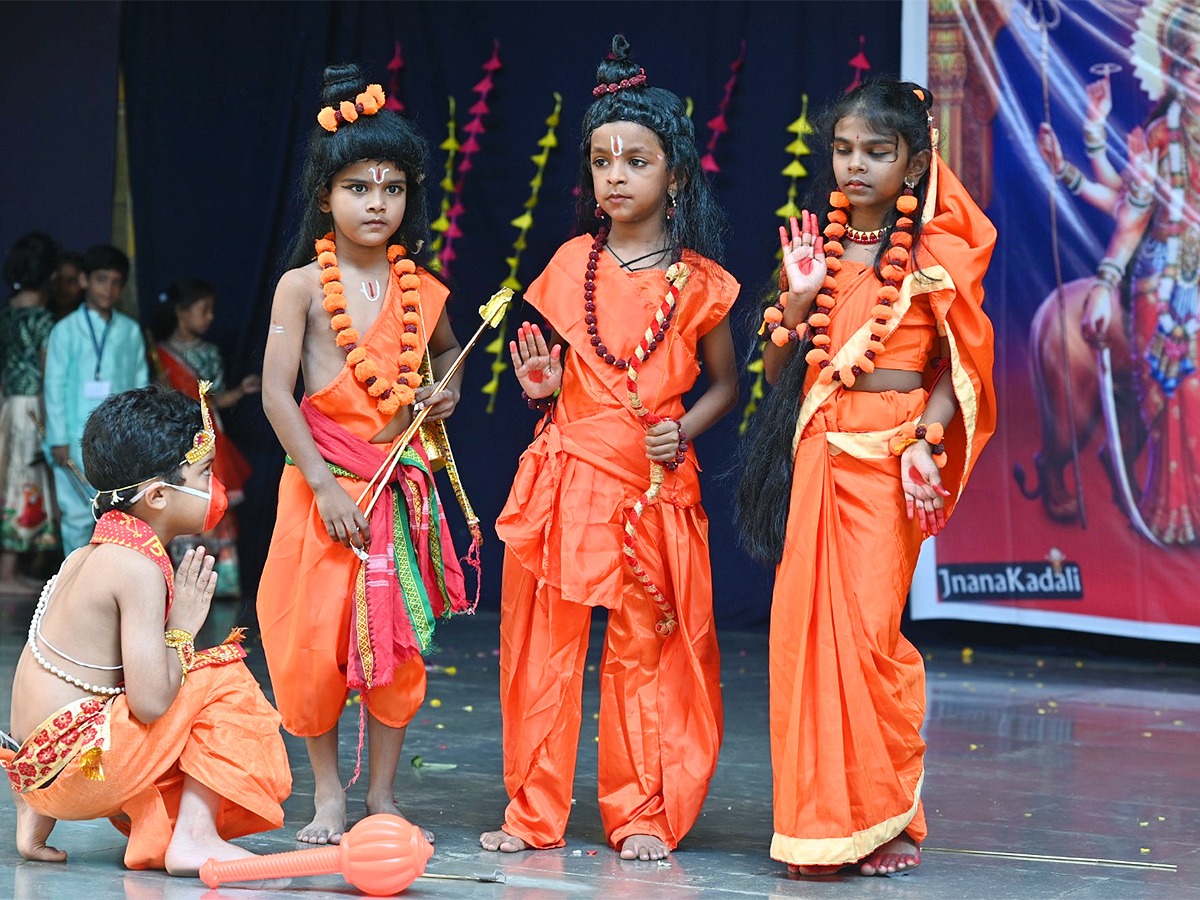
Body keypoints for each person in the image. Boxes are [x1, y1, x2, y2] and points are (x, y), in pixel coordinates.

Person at [481, 35, 739, 862]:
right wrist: (542, 387)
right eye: (602, 161)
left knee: (642, 651)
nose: (616, 176)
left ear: (675, 174)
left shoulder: (700, 281)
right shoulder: (570, 265)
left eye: (636, 160)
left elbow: (724, 387)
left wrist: (684, 427)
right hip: (567, 475)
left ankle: (639, 812)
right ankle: (532, 815)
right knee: (541, 646)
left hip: (651, 484)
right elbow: (567, 381)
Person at [737, 80, 996, 876]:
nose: (855, 165)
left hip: (889, 461)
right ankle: (821, 826)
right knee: (804, 641)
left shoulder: (932, 259)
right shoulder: (816, 246)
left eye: (877, 153)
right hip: (818, 451)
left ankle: (883, 819)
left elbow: (959, 378)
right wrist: (800, 294)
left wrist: (925, 441)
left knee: (872, 643)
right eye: (844, 150)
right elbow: (781, 367)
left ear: (913, 164)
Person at [259, 64, 472, 846]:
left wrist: (443, 394)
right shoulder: (301, 288)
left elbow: (449, 358)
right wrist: (322, 487)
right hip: (322, 489)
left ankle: (382, 794)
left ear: (409, 197)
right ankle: (326, 797)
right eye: (356, 188)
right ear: (326, 198)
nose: (375, 203)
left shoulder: (425, 287)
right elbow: (277, 395)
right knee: (313, 646)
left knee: (393, 647)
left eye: (390, 188)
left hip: (394, 490)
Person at [1, 384, 290, 875]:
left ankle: (36, 818)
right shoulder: (135, 566)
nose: (215, 485)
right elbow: (150, 702)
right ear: (158, 495)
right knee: (223, 680)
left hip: (33, 772)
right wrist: (182, 630)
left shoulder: (87, 554)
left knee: (181, 683)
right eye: (204, 473)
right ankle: (194, 839)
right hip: (81, 769)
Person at [154, 276, 259, 593]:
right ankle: (181, 585)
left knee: (214, 501)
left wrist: (240, 391)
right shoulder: (157, 353)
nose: (211, 317)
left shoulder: (210, 353)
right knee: (181, 501)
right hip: (175, 438)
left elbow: (215, 399)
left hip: (209, 436)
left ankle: (221, 584)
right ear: (181, 312)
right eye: (205, 310)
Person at [43, 245, 149, 553]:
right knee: (75, 514)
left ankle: (105, 587)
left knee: (117, 513)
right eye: (102, 280)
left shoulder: (129, 331)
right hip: (73, 435)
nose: (110, 289)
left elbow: (139, 386)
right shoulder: (65, 330)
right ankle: (72, 587)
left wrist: (137, 435)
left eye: (117, 282)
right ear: (84, 280)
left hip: (117, 438)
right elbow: (54, 386)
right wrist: (58, 438)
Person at [0, 233, 60, 592]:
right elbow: (48, 372)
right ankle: (7, 571)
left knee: (9, 480)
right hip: (32, 407)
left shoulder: (5, 316)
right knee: (24, 480)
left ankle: (11, 567)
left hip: (6, 405)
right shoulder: (43, 321)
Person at [46, 251, 85, 322]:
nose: (62, 286)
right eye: (59, 279)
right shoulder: (41, 319)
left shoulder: (86, 322)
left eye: (72, 281)